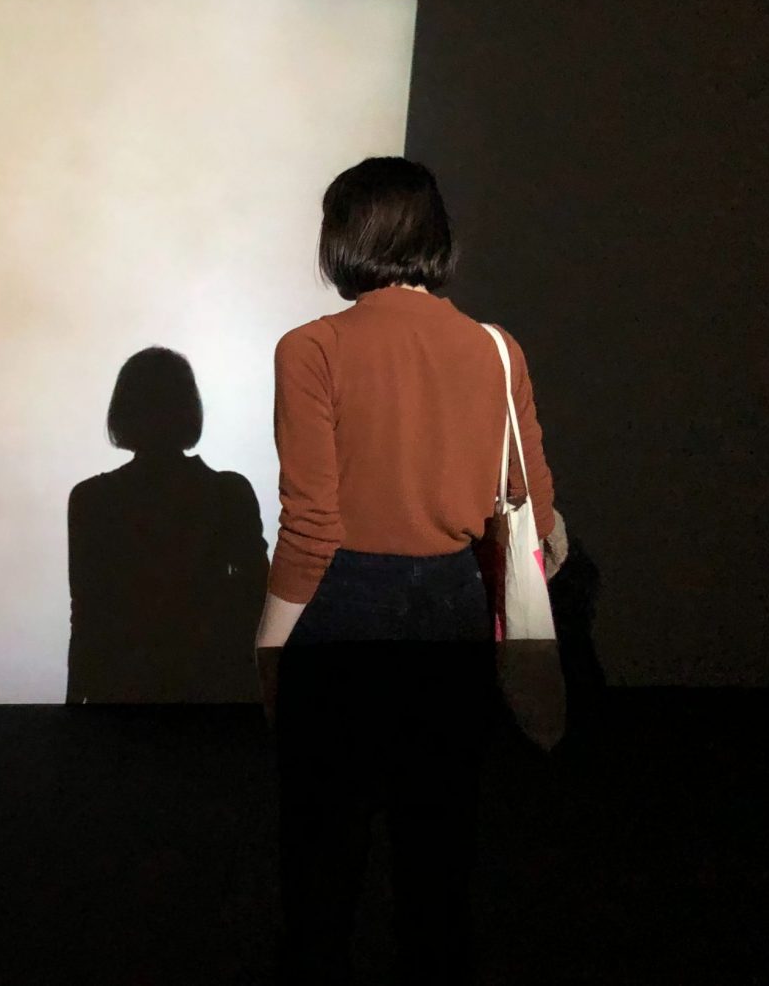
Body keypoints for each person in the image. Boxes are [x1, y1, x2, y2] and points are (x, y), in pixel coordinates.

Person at [253, 157, 558, 984]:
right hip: (452, 609)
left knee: (321, 860)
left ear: (341, 238)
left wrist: (271, 648)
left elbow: (311, 526)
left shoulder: (311, 349)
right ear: (437, 235)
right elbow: (536, 514)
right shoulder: (497, 350)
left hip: (341, 610)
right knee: (439, 856)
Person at [68, 347, 269, 703]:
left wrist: (75, 709)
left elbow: (87, 616)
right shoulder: (229, 493)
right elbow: (257, 601)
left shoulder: (92, 499)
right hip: (215, 693)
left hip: (124, 693)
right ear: (189, 409)